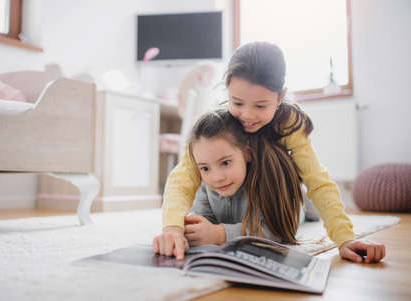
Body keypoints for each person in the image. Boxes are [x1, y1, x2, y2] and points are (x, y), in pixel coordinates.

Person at [153, 41, 385, 263]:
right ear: (227, 92)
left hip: (277, 189)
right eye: (237, 102)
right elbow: (183, 177)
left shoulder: (288, 123)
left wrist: (344, 238)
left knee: (303, 208)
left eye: (261, 106)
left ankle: (304, 205)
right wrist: (173, 228)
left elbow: (317, 180)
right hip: (243, 190)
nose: (247, 115)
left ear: (280, 98)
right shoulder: (217, 125)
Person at [172, 109, 305, 248]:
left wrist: (220, 234)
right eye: (205, 168)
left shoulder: (266, 180)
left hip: (294, 202)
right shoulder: (204, 185)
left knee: (311, 211)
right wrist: (191, 231)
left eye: (225, 162)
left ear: (247, 152)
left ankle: (304, 194)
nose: (217, 178)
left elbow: (277, 231)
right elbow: (204, 222)